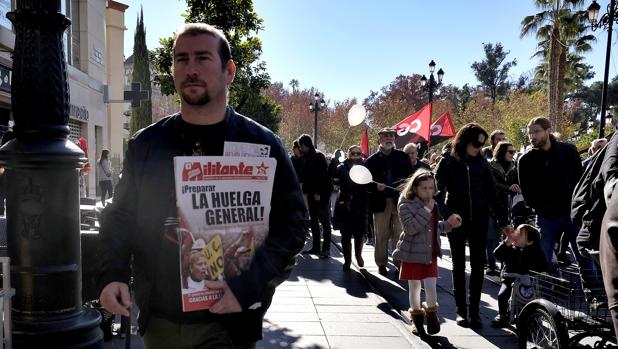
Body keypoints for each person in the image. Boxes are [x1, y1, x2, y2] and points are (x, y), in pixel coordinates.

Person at [97, 23, 306, 349]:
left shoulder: (263, 145)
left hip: (229, 324)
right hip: (161, 321)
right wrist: (112, 275)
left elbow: (293, 227)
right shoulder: (147, 144)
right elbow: (121, 216)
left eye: (203, 58)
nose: (190, 69)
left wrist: (247, 288)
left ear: (229, 71)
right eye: (181, 59)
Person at [435, 123, 508, 328]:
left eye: (481, 145)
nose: (478, 149)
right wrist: (447, 215)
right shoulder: (448, 162)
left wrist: (504, 221)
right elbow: (436, 192)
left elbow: (493, 193)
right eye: (475, 144)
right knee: (458, 265)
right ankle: (461, 310)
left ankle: (474, 311)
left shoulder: (482, 163)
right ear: (465, 142)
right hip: (456, 220)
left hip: (480, 218)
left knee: (477, 266)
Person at [393, 170, 462, 336]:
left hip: (429, 252)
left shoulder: (432, 204)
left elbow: (433, 228)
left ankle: (432, 316)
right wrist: (425, 210)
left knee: (431, 286)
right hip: (412, 252)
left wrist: (448, 224)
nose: (429, 192)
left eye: (431, 188)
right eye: (424, 188)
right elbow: (410, 228)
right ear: (415, 188)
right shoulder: (405, 204)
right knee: (415, 287)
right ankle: (416, 319)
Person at [365, 127, 413, 276]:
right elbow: (366, 183)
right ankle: (381, 263)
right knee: (381, 234)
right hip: (381, 202)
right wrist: (375, 186)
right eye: (385, 136)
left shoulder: (402, 157)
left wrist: (405, 189)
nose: (389, 138)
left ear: (395, 139)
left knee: (400, 233)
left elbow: (411, 178)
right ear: (379, 139)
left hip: (400, 201)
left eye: (391, 136)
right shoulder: (371, 160)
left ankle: (399, 263)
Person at [491, 224, 546, 327]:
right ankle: (502, 314)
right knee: (502, 295)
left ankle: (533, 316)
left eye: (520, 234)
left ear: (529, 241)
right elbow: (497, 254)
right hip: (510, 278)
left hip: (528, 281)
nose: (515, 234)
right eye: (515, 231)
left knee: (533, 297)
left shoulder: (535, 251)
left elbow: (542, 264)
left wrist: (543, 271)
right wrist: (507, 242)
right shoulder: (510, 247)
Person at [486, 141, 520, 275]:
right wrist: (508, 187)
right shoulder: (490, 166)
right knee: (491, 236)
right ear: (502, 152)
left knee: (508, 236)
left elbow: (517, 182)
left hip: (509, 207)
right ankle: (491, 264)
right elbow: (491, 185)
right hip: (492, 206)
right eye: (510, 152)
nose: (513, 154)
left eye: (514, 152)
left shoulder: (515, 166)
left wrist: (516, 186)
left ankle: (505, 264)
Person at [333, 145, 369, 271]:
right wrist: (334, 163)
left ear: (361, 154)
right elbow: (334, 182)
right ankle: (347, 260)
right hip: (345, 204)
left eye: (358, 153)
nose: (355, 156)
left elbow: (369, 185)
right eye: (352, 153)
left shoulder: (365, 167)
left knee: (359, 233)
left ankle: (358, 255)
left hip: (360, 204)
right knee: (345, 234)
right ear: (348, 154)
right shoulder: (341, 167)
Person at [298, 133, 333, 259]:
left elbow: (322, 175)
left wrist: (318, 192)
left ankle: (326, 248)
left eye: (300, 146)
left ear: (303, 145)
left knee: (324, 220)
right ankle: (316, 246)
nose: (300, 149)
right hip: (311, 192)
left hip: (320, 193)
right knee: (313, 220)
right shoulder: (307, 156)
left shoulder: (317, 156)